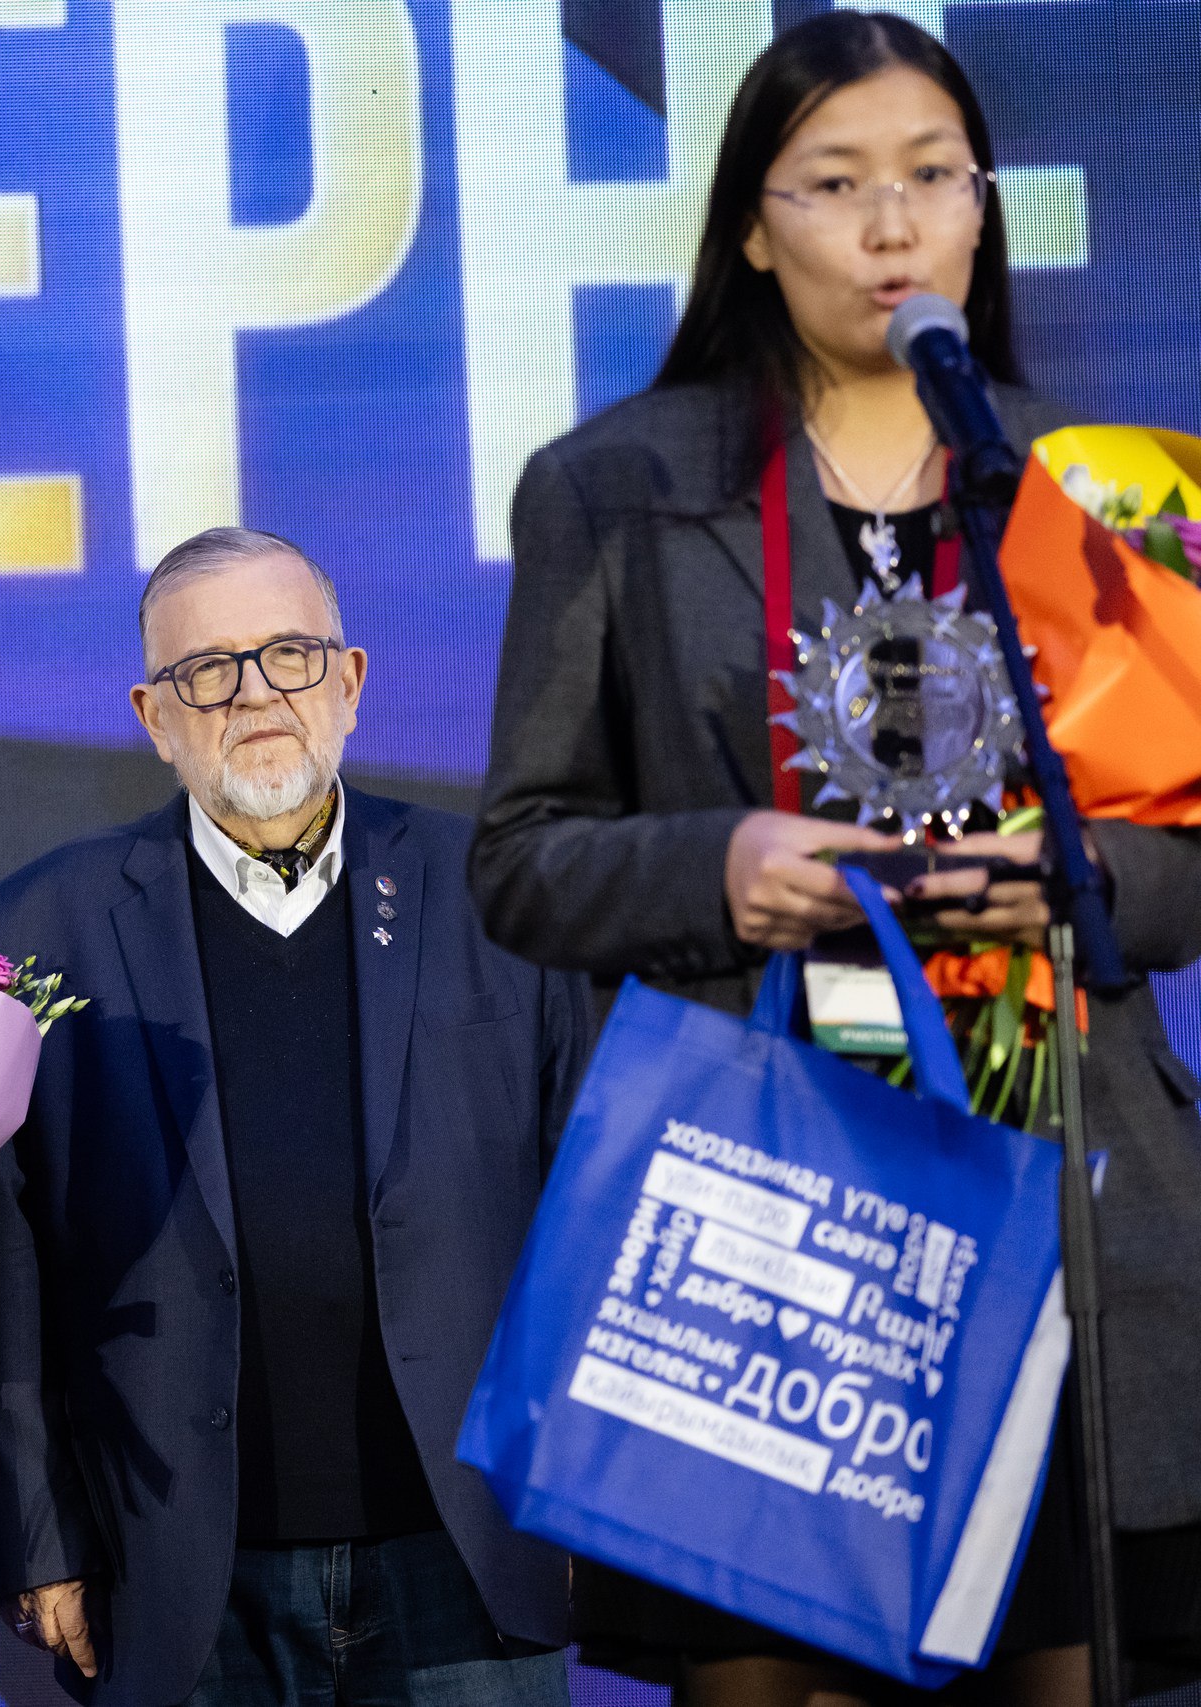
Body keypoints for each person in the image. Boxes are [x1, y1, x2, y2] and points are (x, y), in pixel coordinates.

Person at [472, 11, 1201, 1703]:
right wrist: (719, 863)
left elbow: (1187, 857)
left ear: (983, 209)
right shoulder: (612, 489)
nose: (893, 226)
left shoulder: (1089, 486)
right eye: (838, 182)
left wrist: (1079, 876)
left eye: (934, 177)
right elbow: (519, 858)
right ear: (751, 224)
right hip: (765, 1201)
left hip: (1047, 1178)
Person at [0, 527, 591, 1707]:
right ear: (154, 715)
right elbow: (2, 1271)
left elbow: (590, 1207)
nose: (252, 694)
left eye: (287, 655)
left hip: (466, 1551)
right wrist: (37, 1537)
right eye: (207, 670)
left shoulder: (500, 898)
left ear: (349, 681)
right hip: (177, 1573)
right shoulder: (34, 934)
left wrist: (591, 1489)